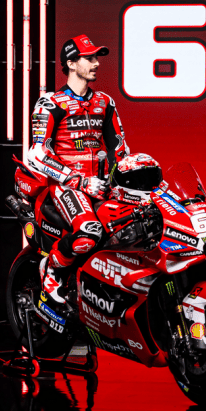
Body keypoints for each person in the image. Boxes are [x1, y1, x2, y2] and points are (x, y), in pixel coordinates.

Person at [24, 35, 129, 319]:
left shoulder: (105, 102)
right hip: (66, 187)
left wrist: (126, 180)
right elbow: (36, 154)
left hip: (101, 186)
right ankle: (51, 271)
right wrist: (79, 181)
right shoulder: (50, 103)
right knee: (89, 233)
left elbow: (119, 149)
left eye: (97, 58)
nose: (96, 64)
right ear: (71, 63)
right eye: (89, 58)